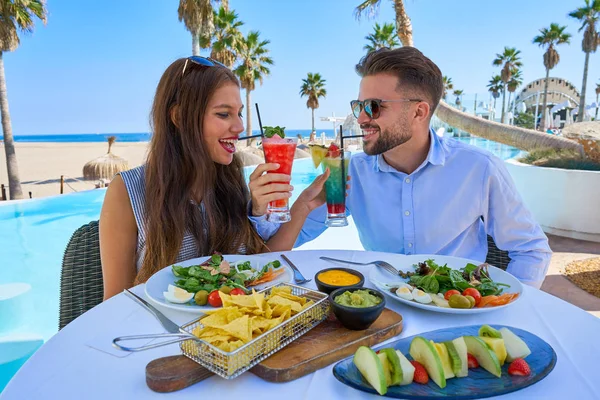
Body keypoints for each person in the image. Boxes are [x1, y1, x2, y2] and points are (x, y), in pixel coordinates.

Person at [266, 47, 552, 289]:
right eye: (359, 106)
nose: (362, 118)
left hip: (457, 309)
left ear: (419, 112)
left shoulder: (478, 169)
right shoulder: (350, 173)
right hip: (381, 310)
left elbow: (531, 250)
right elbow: (284, 244)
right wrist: (297, 205)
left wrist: (506, 306)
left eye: (374, 106)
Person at [99, 56, 328, 300]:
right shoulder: (127, 191)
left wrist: (302, 205)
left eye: (239, 113)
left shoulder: (229, 181)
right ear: (178, 118)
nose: (239, 126)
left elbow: (258, 267)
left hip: (232, 332)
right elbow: (114, 303)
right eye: (223, 114)